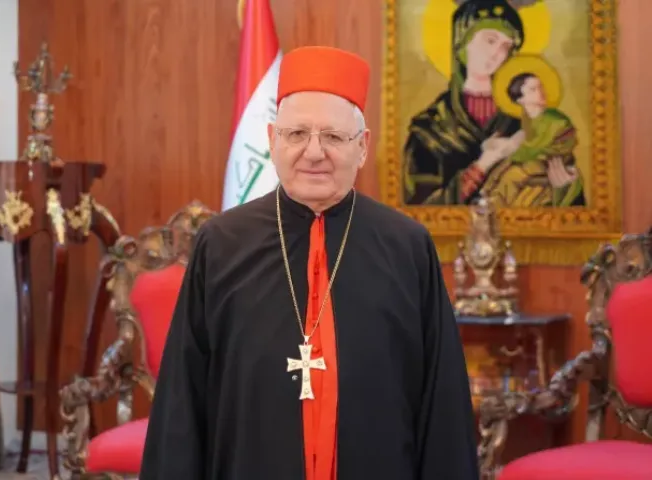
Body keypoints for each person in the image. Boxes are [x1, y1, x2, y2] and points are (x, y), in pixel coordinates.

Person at [139, 45, 478, 479]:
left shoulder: (407, 247)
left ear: (363, 147)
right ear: (272, 140)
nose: (314, 152)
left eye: (333, 137)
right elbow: (182, 401)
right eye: (297, 134)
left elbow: (442, 403)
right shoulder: (222, 244)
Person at [402, 0, 525, 205]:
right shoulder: (431, 127)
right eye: (490, 40)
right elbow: (418, 208)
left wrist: (564, 185)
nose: (497, 54)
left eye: (506, 47)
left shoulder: (520, 121)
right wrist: (482, 166)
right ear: (462, 41)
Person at [479, 54, 586, 207]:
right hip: (533, 160)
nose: (541, 91)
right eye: (533, 89)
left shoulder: (554, 119)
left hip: (551, 160)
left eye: (541, 87)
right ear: (520, 99)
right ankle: (489, 195)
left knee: (512, 175)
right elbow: (525, 141)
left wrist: (510, 149)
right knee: (502, 169)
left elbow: (536, 146)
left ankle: (496, 203)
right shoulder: (523, 120)